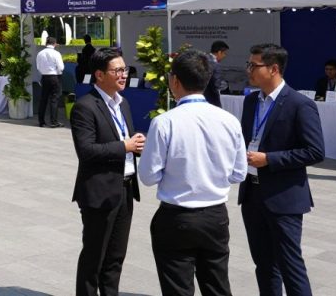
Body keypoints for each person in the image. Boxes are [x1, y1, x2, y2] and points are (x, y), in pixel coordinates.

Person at [139, 49, 247, 296]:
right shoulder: (229, 120)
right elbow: (239, 173)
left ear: (174, 81)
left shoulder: (165, 122)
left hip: (176, 218)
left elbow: (148, 176)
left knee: (178, 288)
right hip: (215, 216)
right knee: (218, 286)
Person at [239, 43, 324, 296]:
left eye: (254, 66)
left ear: (274, 69)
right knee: (263, 265)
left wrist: (270, 159)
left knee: (290, 265)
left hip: (283, 198)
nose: (249, 71)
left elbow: (315, 151)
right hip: (252, 195)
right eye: (249, 65)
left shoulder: (299, 104)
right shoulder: (251, 101)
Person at [71, 47, 145, 296]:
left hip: (125, 189)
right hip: (99, 193)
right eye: (118, 70)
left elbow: (125, 141)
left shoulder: (122, 104)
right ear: (100, 75)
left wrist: (137, 146)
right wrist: (124, 145)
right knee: (94, 257)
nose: (123, 75)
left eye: (125, 69)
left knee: (116, 257)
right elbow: (87, 151)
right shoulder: (85, 106)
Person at [36, 36, 65, 128]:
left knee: (43, 99)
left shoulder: (40, 53)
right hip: (54, 76)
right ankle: (53, 121)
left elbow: (38, 67)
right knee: (54, 99)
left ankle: (41, 121)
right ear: (54, 43)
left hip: (44, 76)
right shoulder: (56, 53)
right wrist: (58, 72)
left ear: (46, 43)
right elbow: (61, 67)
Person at [203, 40, 230, 107]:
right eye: (224, 53)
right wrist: (226, 85)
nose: (225, 56)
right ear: (219, 52)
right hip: (211, 99)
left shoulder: (202, 59)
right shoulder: (215, 65)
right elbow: (216, 85)